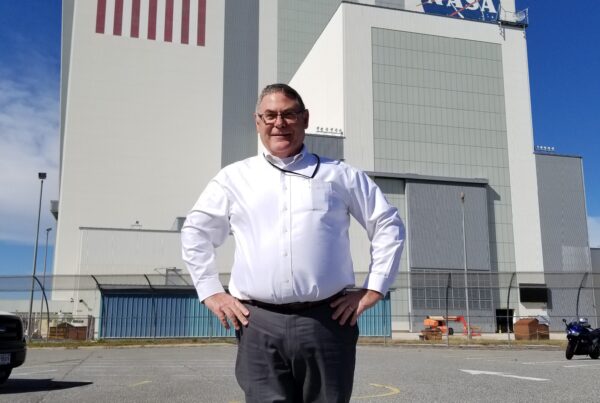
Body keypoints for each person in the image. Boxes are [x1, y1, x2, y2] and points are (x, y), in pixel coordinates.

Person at [181, 83, 404, 402]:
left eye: (288, 114)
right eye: (269, 115)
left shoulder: (339, 175)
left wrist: (374, 288)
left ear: (305, 119)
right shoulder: (233, 179)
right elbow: (196, 232)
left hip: (327, 322)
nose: (279, 123)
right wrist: (211, 290)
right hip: (257, 324)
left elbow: (387, 223)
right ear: (257, 121)